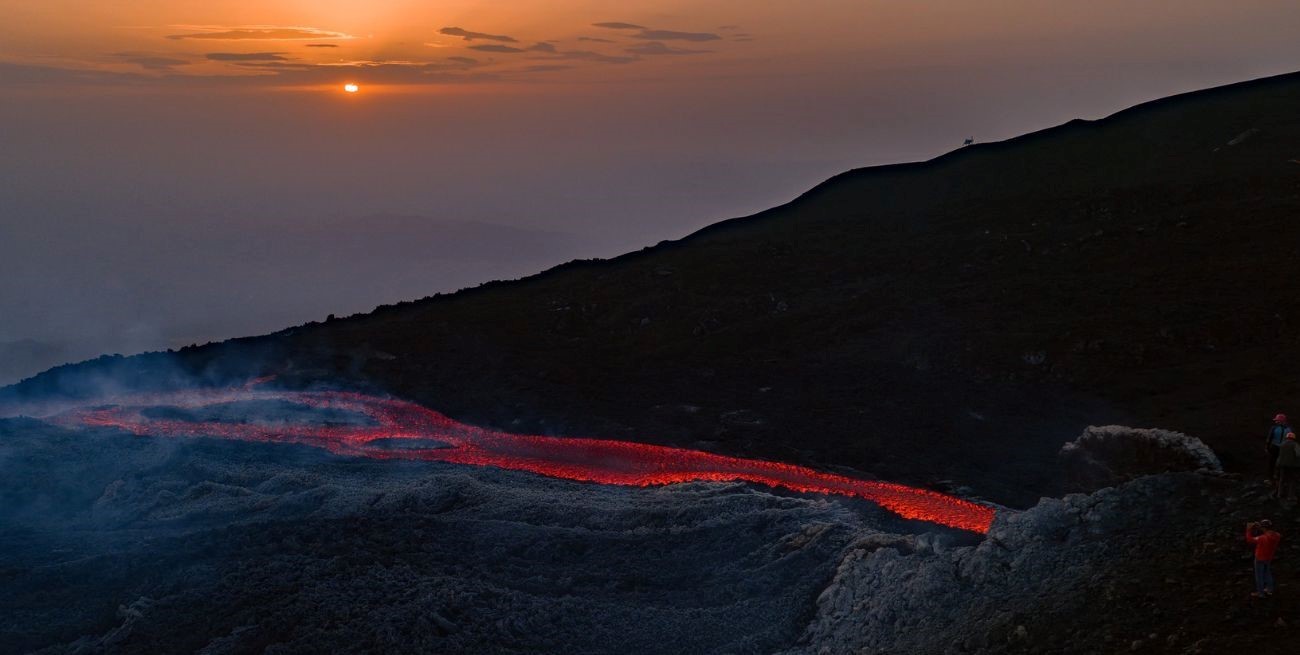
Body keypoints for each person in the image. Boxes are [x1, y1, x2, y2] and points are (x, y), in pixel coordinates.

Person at [1246, 520, 1281, 597]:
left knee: (1259, 575)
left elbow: (1250, 539)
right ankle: (1269, 589)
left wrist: (1249, 530)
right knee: (1267, 573)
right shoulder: (1277, 535)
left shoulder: (1262, 538)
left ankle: (1260, 593)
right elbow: (1269, 534)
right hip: (1269, 557)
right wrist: (1260, 526)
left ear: (1263, 528)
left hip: (1259, 558)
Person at [1266, 413, 1292, 482]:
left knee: (1272, 463)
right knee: (1281, 464)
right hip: (1283, 449)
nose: (1276, 421)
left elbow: (1269, 438)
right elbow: (1290, 440)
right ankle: (1279, 478)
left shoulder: (1274, 428)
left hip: (1274, 448)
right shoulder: (1289, 430)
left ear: (1280, 421)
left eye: (1277, 420)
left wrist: (1267, 447)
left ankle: (1271, 478)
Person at [1278, 432, 1300, 501]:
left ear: (1286, 437)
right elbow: (1298, 454)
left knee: (1282, 479)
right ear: (1293, 438)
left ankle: (1280, 494)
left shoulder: (1282, 444)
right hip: (1292, 465)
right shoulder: (1295, 444)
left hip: (1282, 464)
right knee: (1292, 480)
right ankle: (1290, 496)